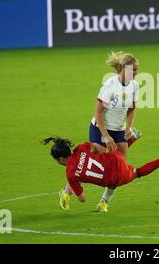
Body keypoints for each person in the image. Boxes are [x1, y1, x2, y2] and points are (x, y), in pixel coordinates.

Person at [59, 51, 141, 213]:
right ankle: (67, 191)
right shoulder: (110, 85)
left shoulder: (135, 86)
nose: (135, 73)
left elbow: (132, 109)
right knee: (95, 161)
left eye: (137, 70)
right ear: (122, 68)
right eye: (133, 69)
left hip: (118, 130)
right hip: (99, 127)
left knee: (119, 169)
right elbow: (97, 113)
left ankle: (104, 202)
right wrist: (105, 136)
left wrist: (129, 127)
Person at [43, 137, 159, 211]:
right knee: (112, 155)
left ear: (60, 159)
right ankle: (132, 137)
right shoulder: (80, 149)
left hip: (116, 177)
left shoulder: (71, 174)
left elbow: (83, 199)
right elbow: (94, 147)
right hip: (115, 158)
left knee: (136, 173)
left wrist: (75, 184)